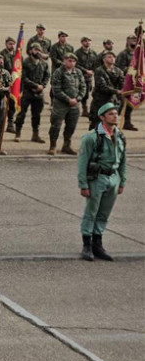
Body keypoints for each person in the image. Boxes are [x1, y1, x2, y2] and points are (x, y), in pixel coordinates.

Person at [76, 103, 127, 262]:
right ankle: (87, 245)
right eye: (110, 114)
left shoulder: (120, 136)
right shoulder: (91, 138)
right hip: (97, 179)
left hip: (113, 178)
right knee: (91, 212)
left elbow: (123, 161)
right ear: (102, 117)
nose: (115, 116)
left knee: (104, 213)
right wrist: (83, 185)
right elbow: (82, 163)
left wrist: (122, 181)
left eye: (116, 113)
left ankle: (98, 243)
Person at [47, 53, 86, 155]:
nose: (71, 62)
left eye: (73, 61)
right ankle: (53, 145)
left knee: (71, 126)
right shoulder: (58, 72)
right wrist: (68, 99)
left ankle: (66, 145)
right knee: (56, 126)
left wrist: (78, 99)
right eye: (69, 60)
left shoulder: (78, 72)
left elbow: (83, 87)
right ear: (64, 61)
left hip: (74, 105)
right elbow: (56, 89)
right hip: (61, 104)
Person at [15, 42, 50, 143]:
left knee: (36, 115)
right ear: (30, 51)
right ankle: (18, 133)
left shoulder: (44, 63)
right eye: (35, 49)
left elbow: (47, 76)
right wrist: (35, 86)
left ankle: (35, 135)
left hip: (39, 94)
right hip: (27, 92)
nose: (37, 52)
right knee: (21, 114)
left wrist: (42, 86)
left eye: (39, 50)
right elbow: (23, 77)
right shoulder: (25, 62)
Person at [89, 51, 124, 131]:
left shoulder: (118, 71)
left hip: (113, 101)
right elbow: (102, 86)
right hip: (100, 101)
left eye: (113, 57)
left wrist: (125, 90)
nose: (112, 59)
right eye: (109, 57)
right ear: (104, 59)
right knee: (96, 123)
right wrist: (117, 91)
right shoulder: (99, 70)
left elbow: (122, 83)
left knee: (112, 123)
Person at [115, 35, 139, 131]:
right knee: (120, 104)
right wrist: (132, 70)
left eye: (135, 40)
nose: (133, 42)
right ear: (127, 42)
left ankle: (127, 122)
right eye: (131, 40)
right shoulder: (123, 54)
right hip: (125, 82)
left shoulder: (138, 54)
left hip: (136, 83)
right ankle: (113, 121)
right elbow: (119, 68)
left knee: (130, 104)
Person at [75, 36, 97, 117]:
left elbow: (96, 64)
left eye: (89, 41)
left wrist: (92, 71)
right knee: (80, 93)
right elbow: (75, 64)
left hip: (89, 77)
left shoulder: (93, 53)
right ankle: (83, 109)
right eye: (85, 41)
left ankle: (84, 109)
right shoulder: (77, 53)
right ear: (82, 42)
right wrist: (85, 71)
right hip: (80, 76)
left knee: (87, 93)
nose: (87, 42)